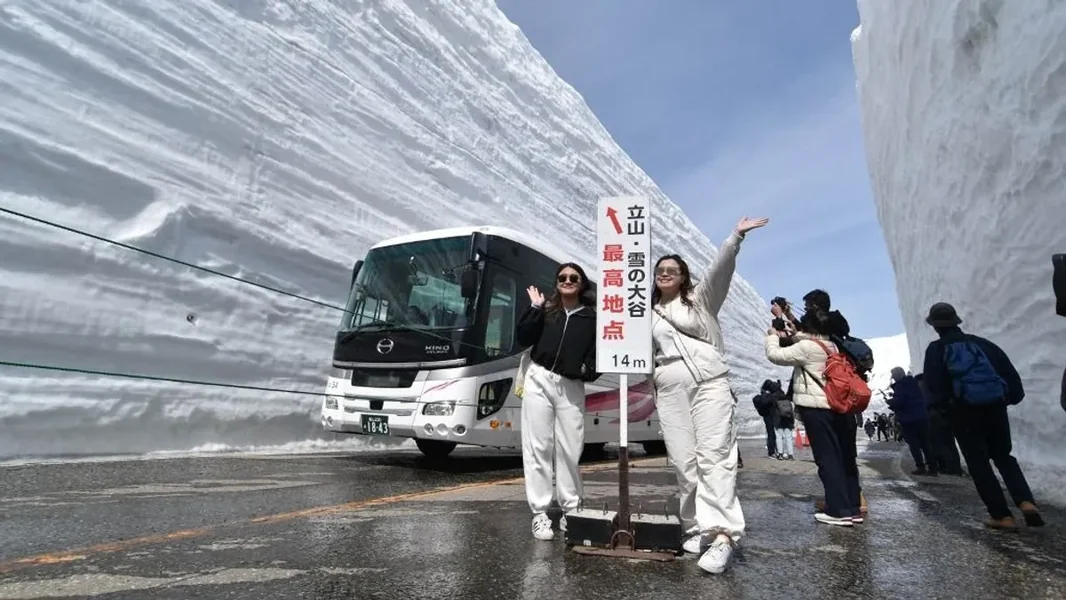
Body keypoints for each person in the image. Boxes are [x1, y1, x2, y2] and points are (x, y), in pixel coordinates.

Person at [649, 216, 769, 574]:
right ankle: (695, 526)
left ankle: (722, 535)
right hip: (669, 387)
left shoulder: (701, 299)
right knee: (685, 464)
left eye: (672, 269)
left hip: (709, 382)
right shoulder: (647, 312)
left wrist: (735, 238)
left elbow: (720, 271)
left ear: (684, 276)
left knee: (714, 457)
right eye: (660, 269)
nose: (665, 273)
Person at [921, 302, 1044, 529]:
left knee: (979, 463)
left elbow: (934, 385)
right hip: (995, 407)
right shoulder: (982, 344)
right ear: (956, 322)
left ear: (936, 327)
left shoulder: (936, 350)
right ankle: (1026, 502)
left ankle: (1001, 515)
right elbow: (1008, 373)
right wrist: (1007, 399)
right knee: (1004, 456)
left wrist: (945, 412)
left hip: (963, 413)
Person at [514, 262, 599, 541]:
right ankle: (540, 513)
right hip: (539, 378)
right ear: (557, 282)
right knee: (538, 445)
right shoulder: (546, 310)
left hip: (571, 385)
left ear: (582, 284)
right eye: (562, 277)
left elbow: (598, 356)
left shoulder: (592, 318)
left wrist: (587, 371)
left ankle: (571, 510)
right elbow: (523, 337)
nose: (567, 280)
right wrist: (535, 308)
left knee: (570, 448)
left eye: (574, 277)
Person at [766, 297, 862, 527]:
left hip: (819, 410)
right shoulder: (834, 344)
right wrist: (785, 317)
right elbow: (800, 336)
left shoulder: (808, 347)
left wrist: (771, 335)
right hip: (841, 407)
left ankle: (838, 511)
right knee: (845, 458)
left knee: (827, 458)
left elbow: (776, 355)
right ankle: (852, 508)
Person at [888, 367, 938, 476]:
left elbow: (900, 402)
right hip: (922, 417)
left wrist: (891, 402)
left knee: (914, 444)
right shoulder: (914, 383)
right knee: (926, 443)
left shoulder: (900, 386)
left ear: (897, 376)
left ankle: (921, 467)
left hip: (909, 420)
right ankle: (933, 467)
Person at [915, 372, 965, 476]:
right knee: (949, 442)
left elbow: (924, 403)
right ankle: (955, 467)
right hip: (944, 415)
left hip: (932, 417)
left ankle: (945, 467)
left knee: (936, 443)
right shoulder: (936, 385)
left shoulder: (921, 388)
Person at [752, 380, 778, 457]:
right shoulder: (769, 396)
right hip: (772, 415)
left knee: (771, 433)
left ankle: (772, 451)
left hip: (767, 416)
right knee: (774, 434)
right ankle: (773, 451)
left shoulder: (763, 395)